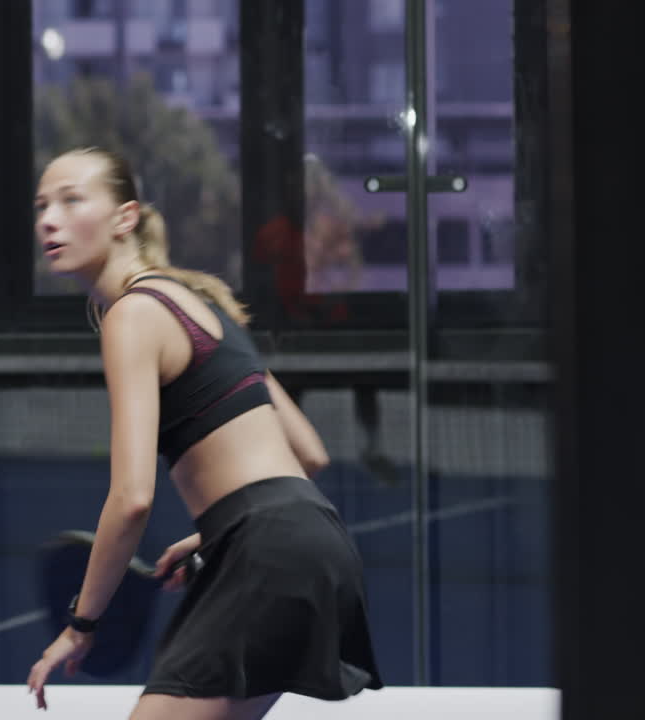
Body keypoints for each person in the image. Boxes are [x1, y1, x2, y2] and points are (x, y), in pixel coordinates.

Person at [26, 147, 383, 719]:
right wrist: (209, 540)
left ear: (126, 217)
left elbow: (132, 499)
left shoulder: (131, 316)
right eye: (42, 205)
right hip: (314, 540)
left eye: (72, 200)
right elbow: (309, 454)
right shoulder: (199, 306)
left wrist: (81, 623)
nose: (49, 218)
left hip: (264, 552)